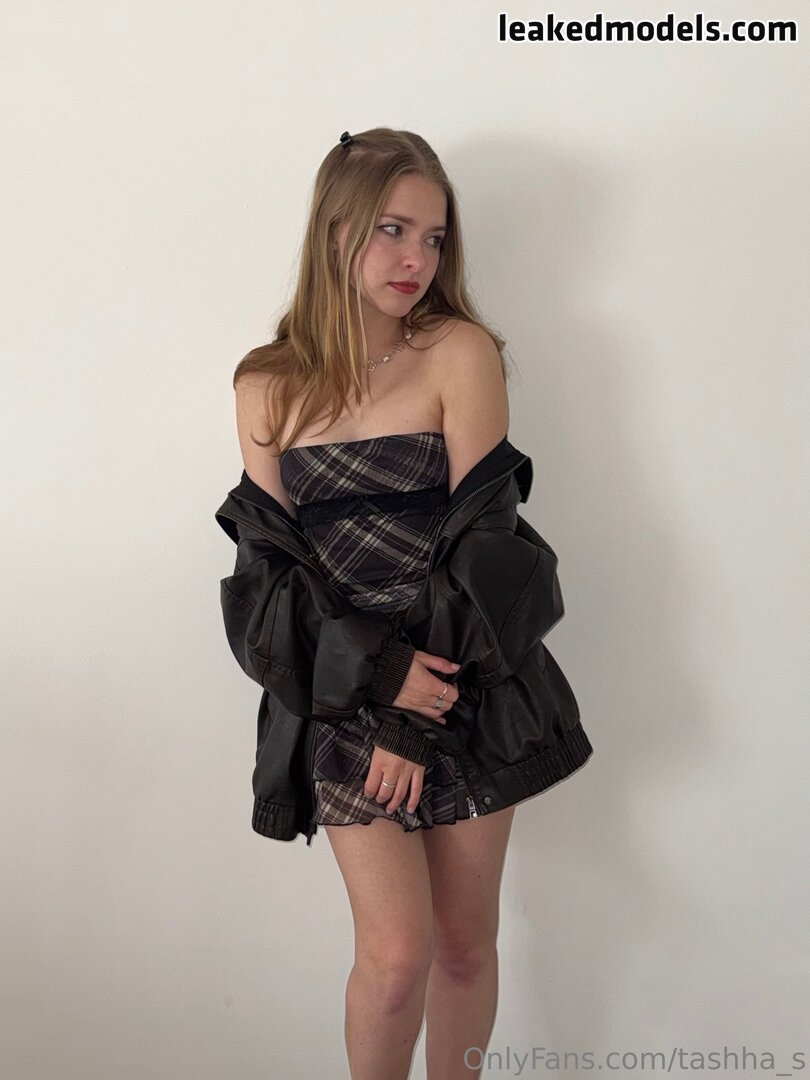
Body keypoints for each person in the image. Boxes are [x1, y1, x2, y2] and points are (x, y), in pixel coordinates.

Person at [216, 127, 593, 1080]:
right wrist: (384, 680)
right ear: (335, 230)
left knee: (463, 946)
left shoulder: (459, 352)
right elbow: (267, 584)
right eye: (392, 229)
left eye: (433, 236)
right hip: (345, 691)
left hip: (471, 673)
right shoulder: (265, 383)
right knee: (393, 962)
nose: (415, 258)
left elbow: (490, 549)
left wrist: (417, 716)